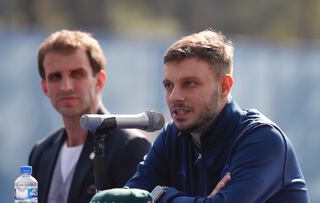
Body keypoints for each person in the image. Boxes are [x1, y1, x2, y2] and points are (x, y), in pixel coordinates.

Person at [126, 29, 310, 202]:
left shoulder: (264, 140)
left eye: (189, 83)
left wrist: (161, 195)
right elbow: (128, 198)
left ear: (224, 86)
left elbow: (144, 197)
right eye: (168, 85)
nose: (174, 97)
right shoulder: (172, 136)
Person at [28, 30, 151, 203]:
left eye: (77, 74)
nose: (66, 86)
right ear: (45, 87)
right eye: (55, 77)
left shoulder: (130, 145)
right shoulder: (41, 152)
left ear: (99, 81)